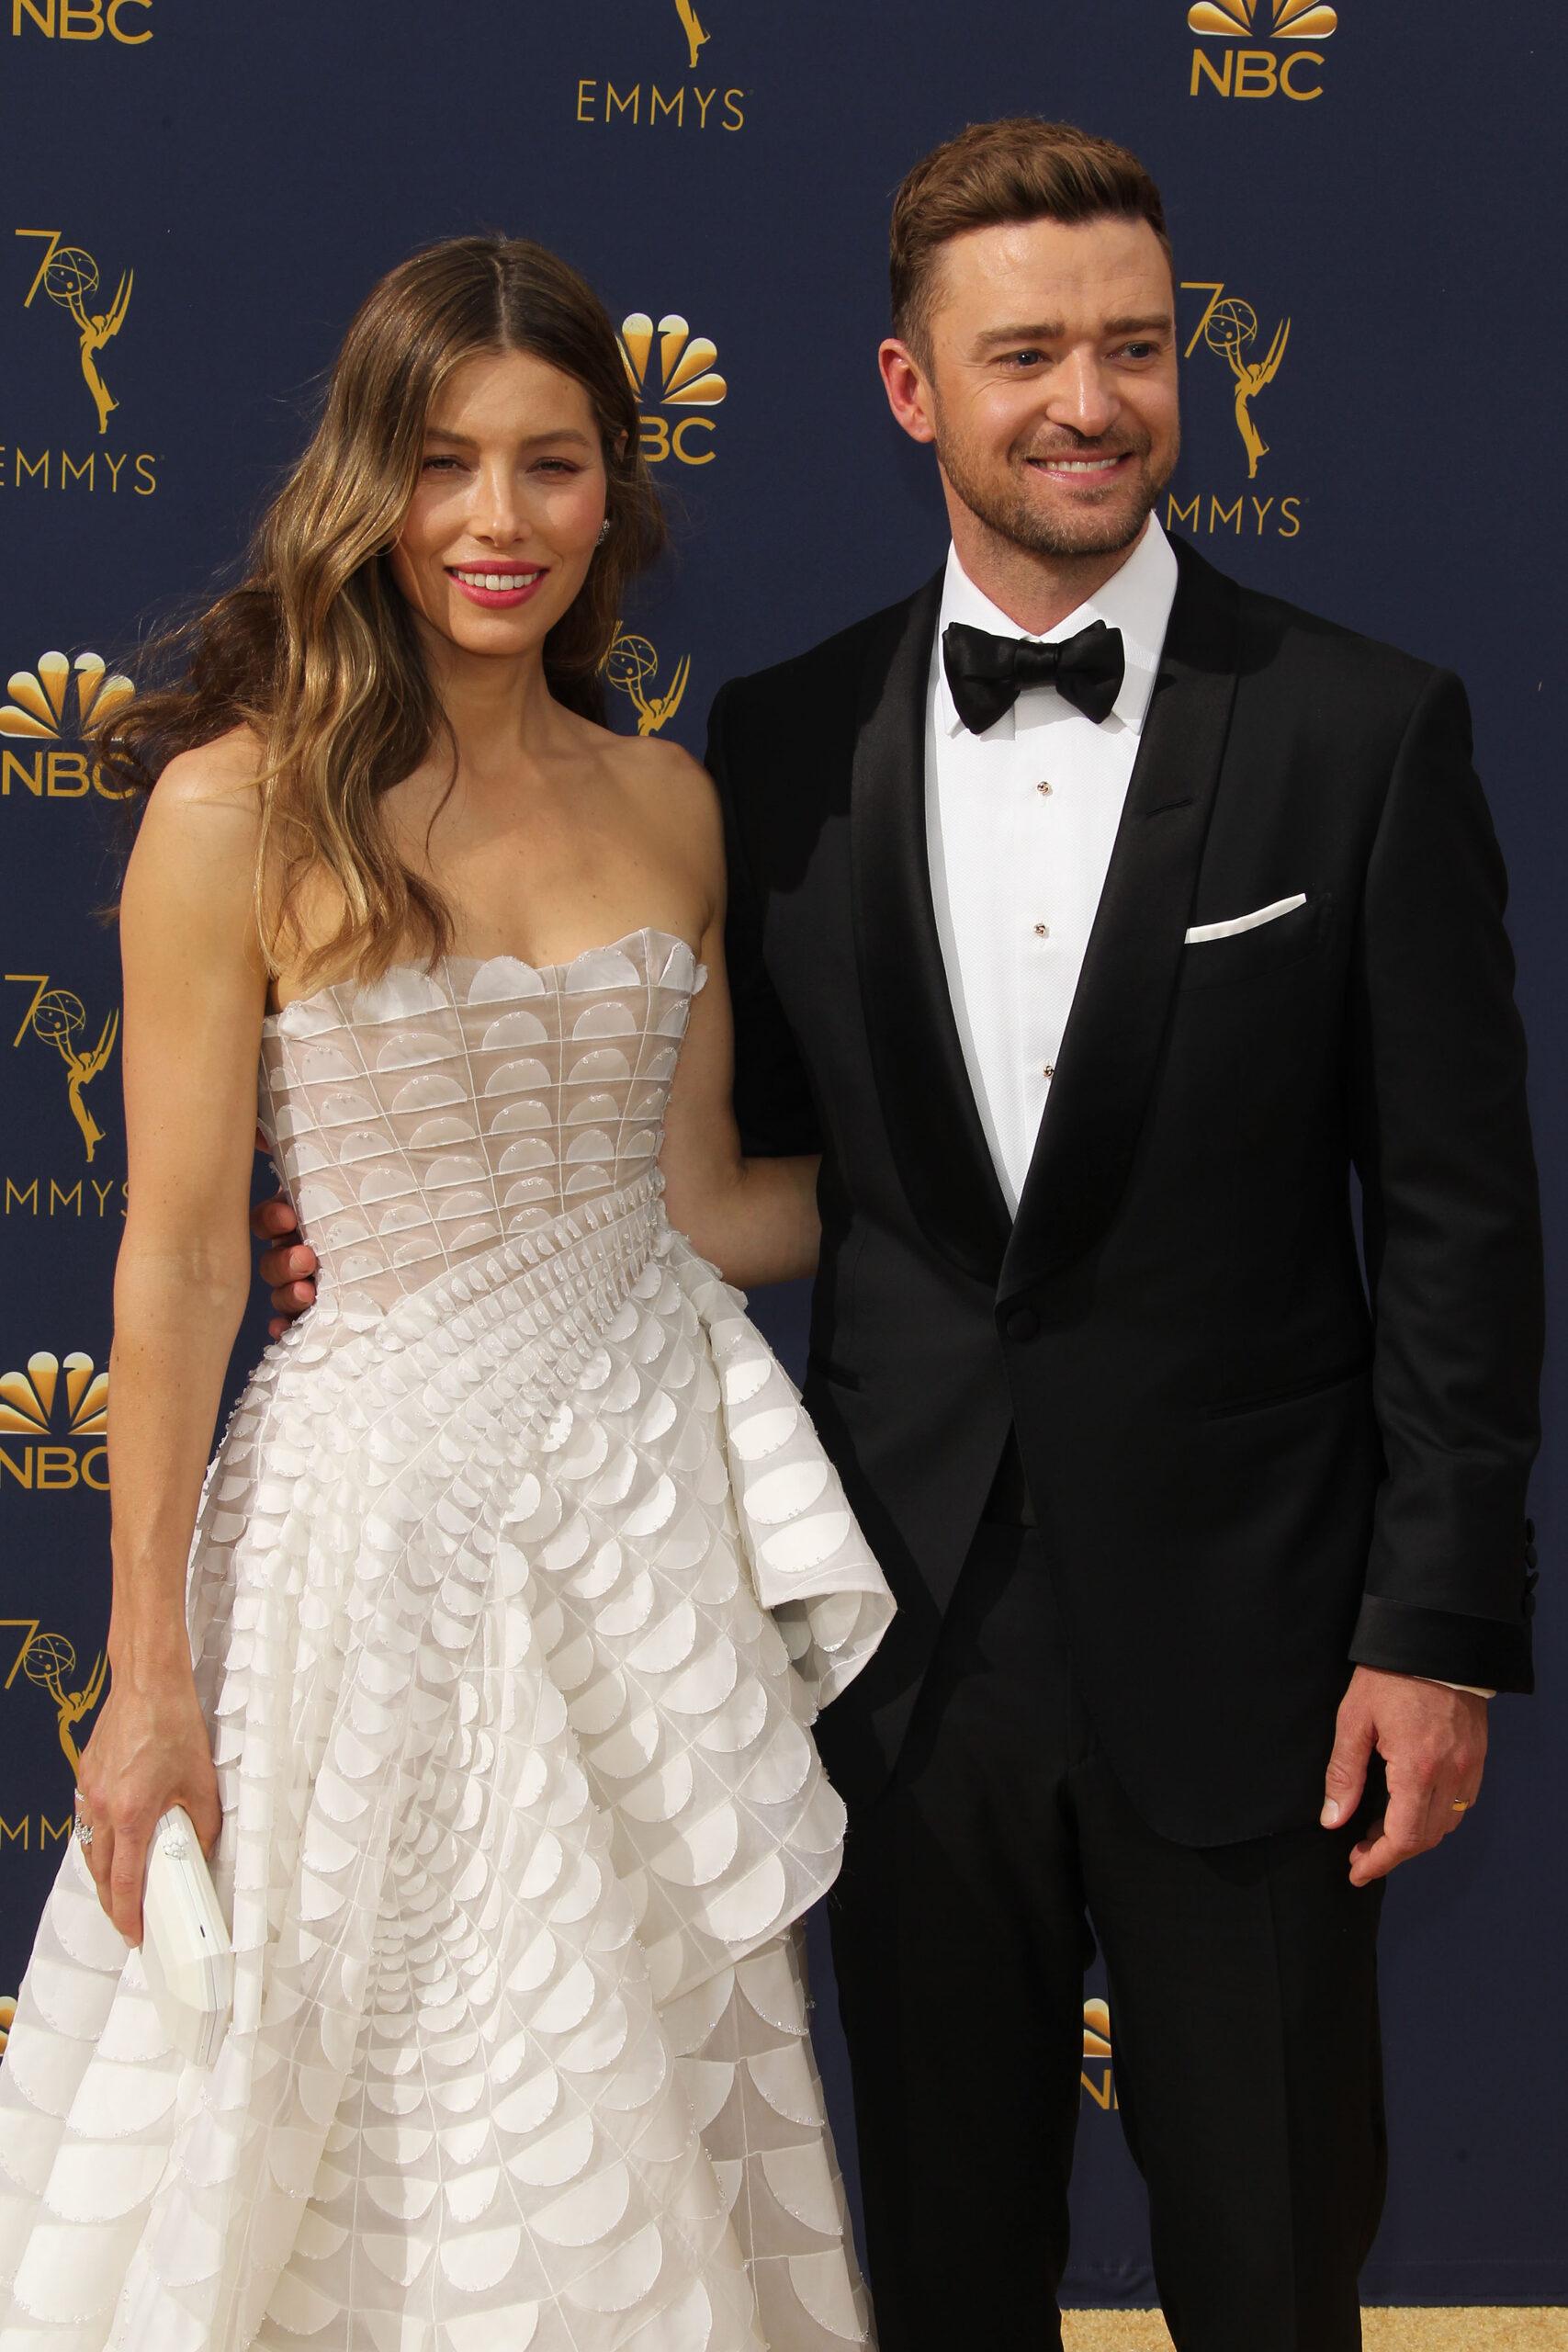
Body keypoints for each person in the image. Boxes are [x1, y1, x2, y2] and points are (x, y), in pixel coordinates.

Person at [254, 123, 1545, 2352]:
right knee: (939, 2265)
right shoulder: (773, 746)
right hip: (891, 1637)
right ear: (903, 387)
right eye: (1023, 348)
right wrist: (404, 1239)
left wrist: (1430, 1624)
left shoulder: (1358, 727)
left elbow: (1454, 1216)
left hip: (1255, 1641)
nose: (1089, 398)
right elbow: (708, 1163)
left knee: (1270, 2262)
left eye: (1132, 346)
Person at [0, 235, 893, 2351]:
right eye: (442, 461)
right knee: (347, 2096)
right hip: (361, 1553)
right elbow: (187, 1253)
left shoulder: (670, 801)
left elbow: (699, 1206)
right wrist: (146, 1673)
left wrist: (976, 1189)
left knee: (620, 2096)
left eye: (551, 466)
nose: (496, 522)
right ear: (363, 484)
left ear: (615, 498)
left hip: (634, 1538)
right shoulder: (233, 808)